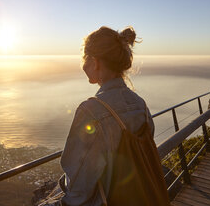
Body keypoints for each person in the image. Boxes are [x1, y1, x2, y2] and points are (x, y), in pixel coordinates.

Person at [39, 26, 170, 206]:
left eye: (84, 58)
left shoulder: (92, 110)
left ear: (96, 62)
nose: (83, 64)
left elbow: (79, 186)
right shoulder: (140, 105)